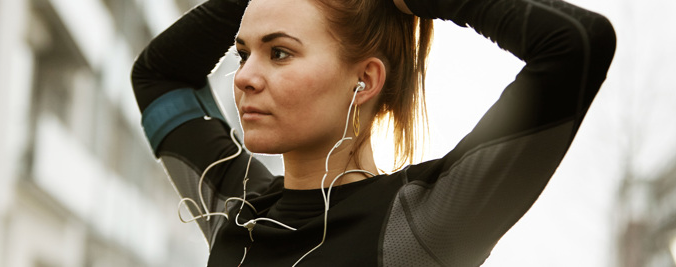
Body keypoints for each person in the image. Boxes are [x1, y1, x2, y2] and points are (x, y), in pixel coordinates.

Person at [131, 0, 616, 265]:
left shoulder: (418, 225)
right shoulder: (234, 211)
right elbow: (158, 76)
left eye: (279, 53)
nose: (243, 78)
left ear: (364, 80)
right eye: (243, 53)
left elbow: (575, 43)